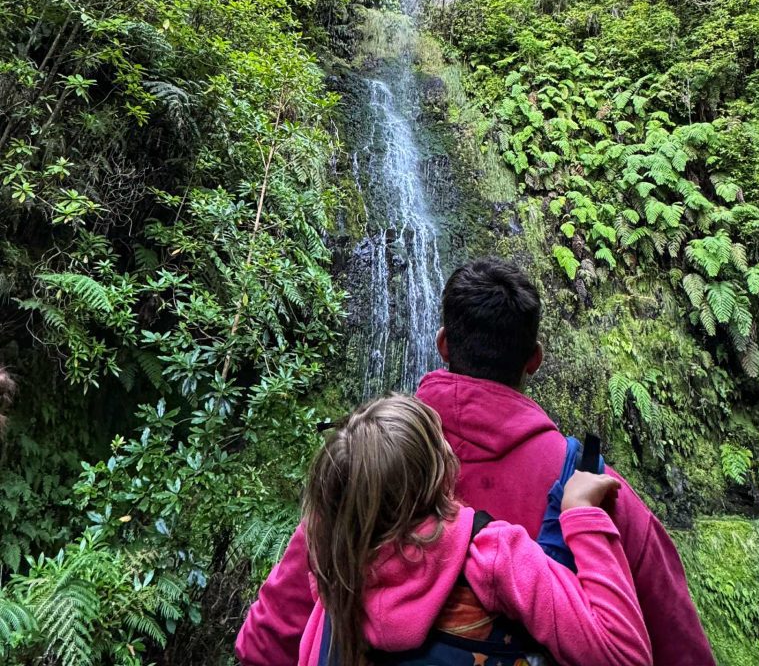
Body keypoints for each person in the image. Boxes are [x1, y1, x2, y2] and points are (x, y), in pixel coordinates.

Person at [236, 258, 715, 666]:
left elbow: (264, 642)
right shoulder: (595, 490)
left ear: (443, 344)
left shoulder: (360, 479)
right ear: (534, 360)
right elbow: (679, 647)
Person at [286, 394, 652, 666]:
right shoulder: (491, 555)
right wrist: (582, 515)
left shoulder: (332, 584)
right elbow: (625, 655)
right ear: (444, 474)